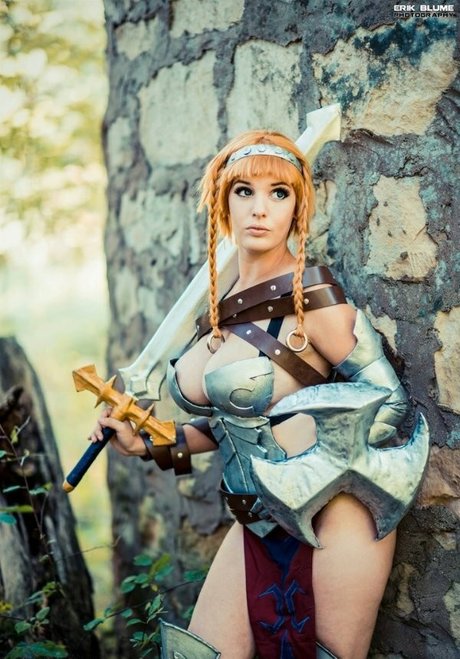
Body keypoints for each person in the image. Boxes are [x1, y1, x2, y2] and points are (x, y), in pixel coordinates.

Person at [90, 130, 413, 659]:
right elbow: (230, 425)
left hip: (337, 512)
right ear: (223, 203)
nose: (260, 209)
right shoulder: (220, 308)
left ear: (297, 209)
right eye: (244, 191)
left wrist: (313, 472)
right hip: (257, 517)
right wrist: (145, 443)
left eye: (278, 193)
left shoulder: (315, 301)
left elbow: (389, 403)